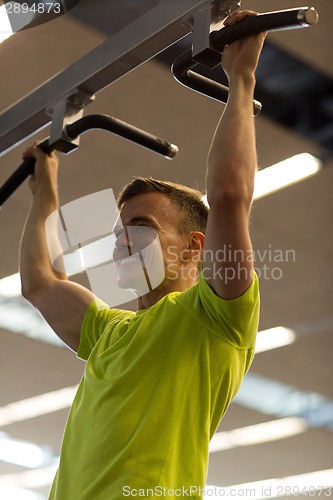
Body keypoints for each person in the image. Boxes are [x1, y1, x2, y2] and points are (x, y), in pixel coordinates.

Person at [19, 10, 265, 500]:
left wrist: (241, 77)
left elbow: (230, 194)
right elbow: (40, 281)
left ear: (196, 247)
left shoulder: (215, 317)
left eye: (140, 227)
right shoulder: (108, 331)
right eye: (117, 231)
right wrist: (44, 186)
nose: (120, 242)